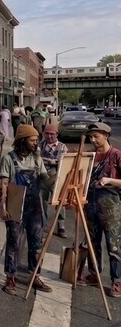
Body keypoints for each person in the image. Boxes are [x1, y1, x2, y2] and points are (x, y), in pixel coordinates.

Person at [0, 124, 52, 295]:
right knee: (14, 243)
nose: (36, 143)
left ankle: (34, 276)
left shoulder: (37, 159)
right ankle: (10, 277)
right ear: (22, 140)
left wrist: (61, 179)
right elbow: (3, 185)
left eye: (36, 140)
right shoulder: (8, 159)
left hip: (35, 207)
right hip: (16, 207)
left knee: (36, 243)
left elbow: (46, 180)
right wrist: (3, 208)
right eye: (32, 140)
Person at [78, 122, 121, 298]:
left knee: (114, 244)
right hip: (91, 204)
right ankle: (94, 274)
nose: (93, 140)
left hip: (111, 206)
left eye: (96, 136)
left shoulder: (116, 155)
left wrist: (110, 180)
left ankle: (117, 281)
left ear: (106, 136)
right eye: (91, 137)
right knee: (92, 242)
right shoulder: (91, 155)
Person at [39, 123, 68, 238]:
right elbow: (36, 159)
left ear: (57, 134)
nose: (49, 136)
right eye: (47, 133)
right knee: (42, 201)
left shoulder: (62, 147)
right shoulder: (40, 145)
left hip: (56, 177)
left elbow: (64, 161)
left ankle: (61, 225)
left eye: (52, 134)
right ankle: (43, 224)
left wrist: (51, 161)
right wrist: (52, 161)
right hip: (42, 176)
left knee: (60, 200)